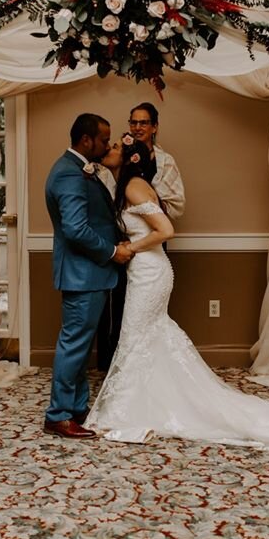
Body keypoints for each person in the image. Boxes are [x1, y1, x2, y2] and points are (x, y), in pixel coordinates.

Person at [85, 138, 269, 453]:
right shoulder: (123, 185)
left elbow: (166, 230)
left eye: (115, 146)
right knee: (143, 338)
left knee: (135, 337)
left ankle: (127, 410)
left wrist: (130, 247)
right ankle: (144, 402)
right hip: (143, 271)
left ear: (129, 158)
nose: (109, 147)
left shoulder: (134, 186)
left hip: (150, 271)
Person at [44, 113, 134, 439]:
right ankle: (58, 414)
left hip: (90, 274)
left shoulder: (83, 169)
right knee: (74, 345)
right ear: (86, 140)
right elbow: (76, 229)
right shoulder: (69, 174)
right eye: (103, 139)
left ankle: (78, 408)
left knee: (80, 347)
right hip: (83, 275)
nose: (108, 144)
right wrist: (113, 252)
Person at [96, 102, 185, 372]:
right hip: (125, 249)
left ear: (154, 127)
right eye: (133, 122)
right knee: (125, 318)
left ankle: (142, 381)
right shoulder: (116, 175)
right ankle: (124, 374)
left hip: (146, 252)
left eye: (143, 123)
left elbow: (169, 220)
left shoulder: (158, 167)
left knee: (139, 325)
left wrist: (147, 204)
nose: (137, 128)